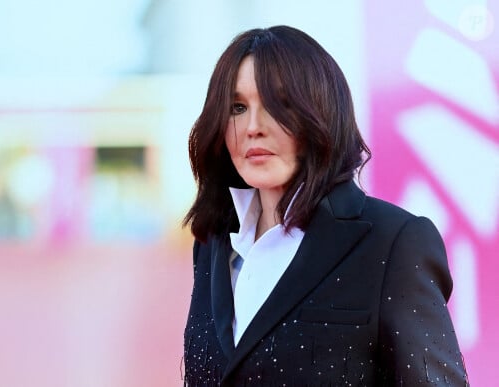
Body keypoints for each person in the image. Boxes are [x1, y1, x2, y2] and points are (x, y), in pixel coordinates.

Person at [181, 25, 468, 386]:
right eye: (237, 107)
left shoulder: (393, 242)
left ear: (320, 112)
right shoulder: (212, 245)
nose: (253, 126)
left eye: (277, 104)